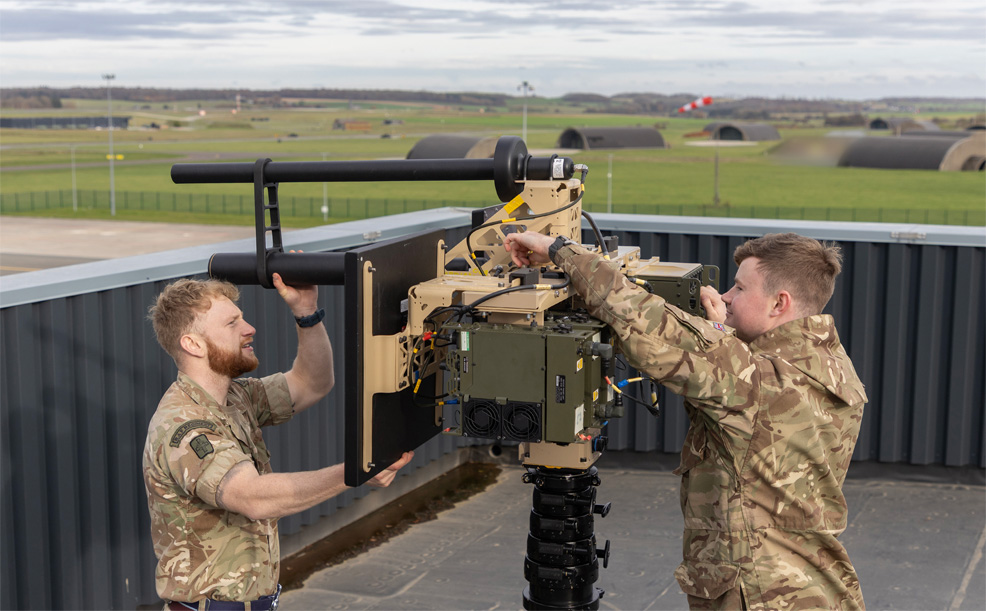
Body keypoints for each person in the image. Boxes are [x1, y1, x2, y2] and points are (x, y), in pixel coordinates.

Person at [503, 231, 867, 611]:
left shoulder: (756, 380)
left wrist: (559, 251)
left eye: (740, 288)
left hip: (759, 595)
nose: (726, 296)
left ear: (780, 303)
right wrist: (721, 336)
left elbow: (646, 320)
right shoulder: (828, 364)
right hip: (813, 588)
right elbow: (748, 392)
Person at [143, 273, 413, 609]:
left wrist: (307, 313)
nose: (249, 328)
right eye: (232, 323)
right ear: (193, 344)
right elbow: (252, 497)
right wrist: (354, 472)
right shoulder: (184, 427)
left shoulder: (235, 397)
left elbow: (312, 382)